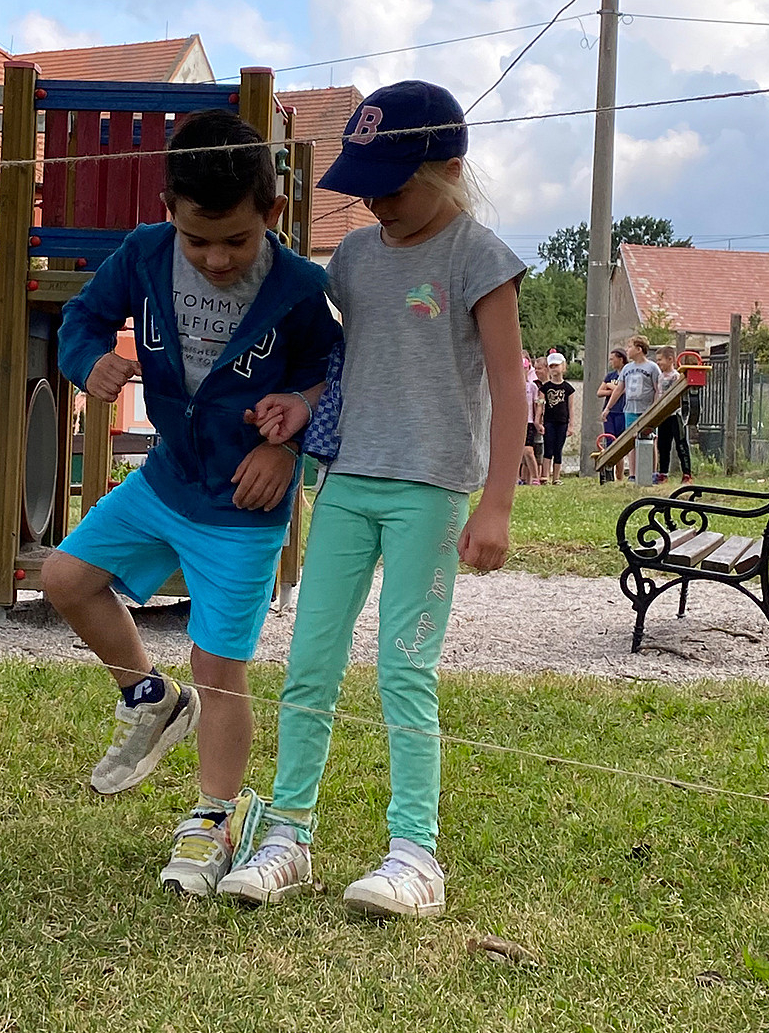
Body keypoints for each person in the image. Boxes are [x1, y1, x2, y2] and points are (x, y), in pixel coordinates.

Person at [217, 80, 527, 919]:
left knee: (405, 668)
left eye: (393, 185)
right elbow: (348, 362)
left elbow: (511, 386)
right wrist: (301, 405)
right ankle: (288, 836)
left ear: (449, 169)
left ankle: (415, 855)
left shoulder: (479, 259)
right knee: (310, 658)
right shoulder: (352, 259)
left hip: (432, 490)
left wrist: (496, 505)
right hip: (347, 482)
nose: (376, 202)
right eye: (366, 187)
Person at [41, 110, 340, 897]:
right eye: (197, 239)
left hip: (243, 506)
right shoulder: (143, 253)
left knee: (218, 668)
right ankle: (148, 695)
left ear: (272, 213)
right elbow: (81, 320)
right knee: (65, 578)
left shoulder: (301, 289)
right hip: (166, 479)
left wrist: (288, 444)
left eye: (235, 241)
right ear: (168, 207)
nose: (215, 258)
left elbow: (328, 374)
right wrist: (88, 361)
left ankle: (214, 818)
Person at [608, 335, 662, 479]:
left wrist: (655, 407)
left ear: (639, 349)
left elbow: (657, 388)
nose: (627, 350)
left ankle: (652, 472)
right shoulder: (627, 368)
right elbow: (619, 389)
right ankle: (632, 473)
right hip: (630, 409)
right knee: (632, 440)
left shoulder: (652, 367)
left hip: (647, 410)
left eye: (630, 347)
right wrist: (608, 407)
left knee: (651, 439)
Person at [653, 346, 693, 483]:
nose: (658, 362)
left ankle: (687, 473)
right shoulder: (660, 377)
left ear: (670, 359)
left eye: (660, 360)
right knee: (663, 445)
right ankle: (663, 473)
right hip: (663, 415)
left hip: (675, 415)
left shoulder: (676, 376)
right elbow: (658, 394)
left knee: (680, 443)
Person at [538, 351, 574, 484]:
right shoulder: (545, 388)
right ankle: (545, 476)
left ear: (563, 367)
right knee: (548, 448)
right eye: (551, 366)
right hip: (549, 421)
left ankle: (556, 477)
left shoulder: (568, 388)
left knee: (558, 449)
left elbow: (570, 408)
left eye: (556, 366)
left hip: (562, 422)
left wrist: (571, 425)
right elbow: (540, 405)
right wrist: (538, 421)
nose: (554, 369)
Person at [597, 347, 628, 482]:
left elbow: (625, 390)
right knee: (610, 442)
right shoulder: (610, 376)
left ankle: (620, 476)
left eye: (612, 359)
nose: (611, 362)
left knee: (619, 444)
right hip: (610, 413)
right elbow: (599, 392)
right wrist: (613, 390)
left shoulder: (627, 373)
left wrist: (611, 387)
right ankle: (610, 475)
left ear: (621, 359)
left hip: (622, 412)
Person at [520, 353, 542, 486]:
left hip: (528, 423)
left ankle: (535, 477)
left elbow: (536, 405)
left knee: (528, 450)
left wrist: (537, 421)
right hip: (515, 424)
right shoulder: (512, 387)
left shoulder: (532, 387)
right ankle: (519, 479)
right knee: (517, 453)